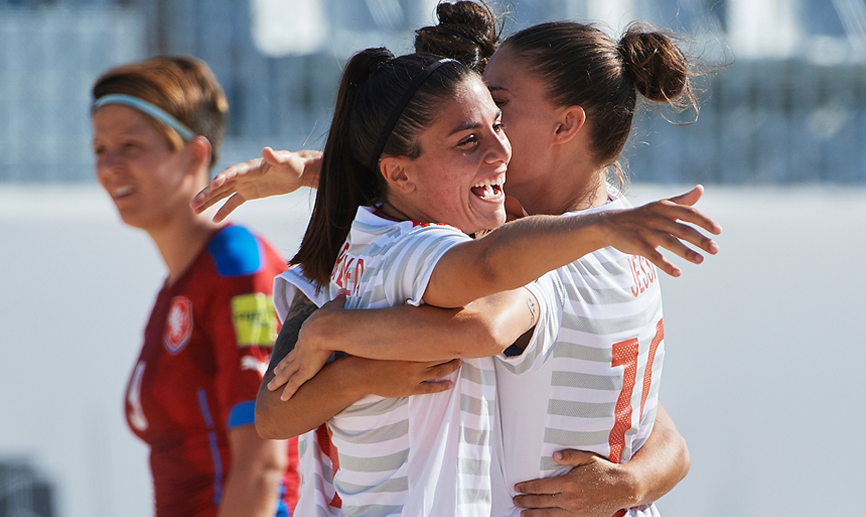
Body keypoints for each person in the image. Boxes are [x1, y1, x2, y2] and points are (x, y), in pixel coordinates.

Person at [190, 3, 709, 516]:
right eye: (473, 131)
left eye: (499, 113)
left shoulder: (547, 256)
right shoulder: (606, 233)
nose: (496, 145)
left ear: (565, 126)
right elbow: (663, 435)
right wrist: (317, 170)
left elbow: (481, 322)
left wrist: (334, 330)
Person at [91, 56, 300, 517]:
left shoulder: (237, 267)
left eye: (130, 145)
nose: (110, 166)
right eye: (100, 149)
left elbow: (265, 465)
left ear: (195, 154)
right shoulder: (175, 290)